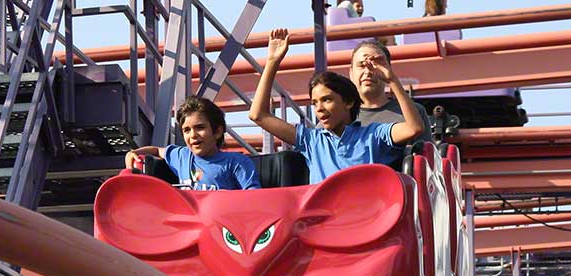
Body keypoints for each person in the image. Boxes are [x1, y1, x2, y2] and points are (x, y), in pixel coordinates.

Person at [248, 28, 423, 184]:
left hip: (366, 216)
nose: (319, 108)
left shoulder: (373, 135)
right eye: (315, 103)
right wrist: (272, 62)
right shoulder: (312, 140)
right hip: (324, 218)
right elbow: (258, 115)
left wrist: (391, 80)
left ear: (348, 102)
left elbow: (413, 128)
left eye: (327, 100)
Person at [125, 96, 261, 190]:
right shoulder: (181, 156)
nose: (193, 135)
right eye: (186, 130)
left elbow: (253, 198)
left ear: (218, 132)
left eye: (200, 128)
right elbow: (156, 150)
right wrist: (133, 153)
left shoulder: (237, 162)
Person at [350, 40, 432, 162]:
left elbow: (426, 163)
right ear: (351, 73)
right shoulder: (340, 118)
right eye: (361, 65)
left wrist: (393, 80)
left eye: (376, 65)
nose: (368, 72)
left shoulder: (413, 113)